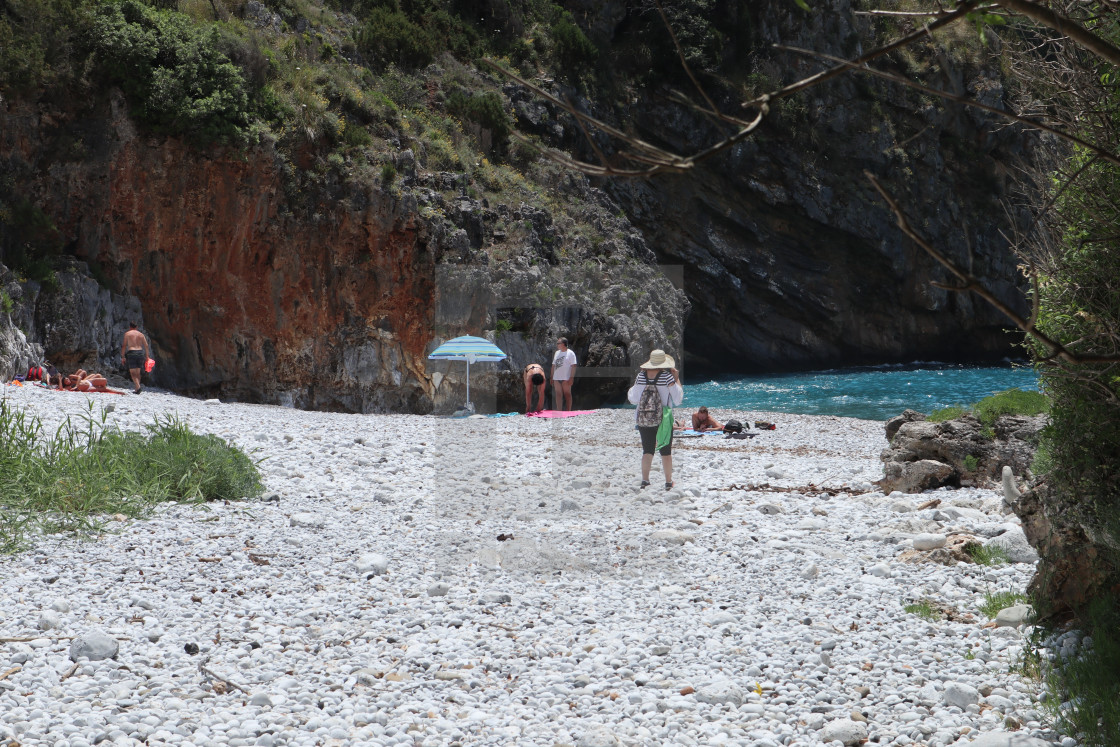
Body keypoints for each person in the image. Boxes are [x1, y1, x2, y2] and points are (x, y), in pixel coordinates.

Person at [627, 349, 683, 490]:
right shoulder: (667, 377)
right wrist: (677, 379)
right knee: (665, 451)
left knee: (647, 450)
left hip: (644, 418)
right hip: (663, 418)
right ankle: (668, 482)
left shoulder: (641, 376)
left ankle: (645, 480)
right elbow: (678, 399)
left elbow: (633, 399)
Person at [120, 322, 151, 394]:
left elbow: (124, 345)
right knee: (138, 372)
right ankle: (137, 389)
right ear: (136, 327)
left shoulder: (127, 334)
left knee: (132, 373)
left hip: (132, 353)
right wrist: (147, 356)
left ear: (130, 327)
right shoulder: (141, 335)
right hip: (140, 353)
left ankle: (138, 387)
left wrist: (123, 356)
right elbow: (146, 345)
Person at [550, 337, 577, 412]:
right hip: (556, 377)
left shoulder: (570, 353)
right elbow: (553, 365)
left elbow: (573, 366)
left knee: (567, 394)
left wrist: (571, 378)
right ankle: (559, 410)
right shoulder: (556, 353)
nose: (557, 345)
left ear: (563, 344)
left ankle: (568, 410)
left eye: (558, 343)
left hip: (566, 378)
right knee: (558, 395)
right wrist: (551, 377)